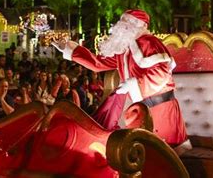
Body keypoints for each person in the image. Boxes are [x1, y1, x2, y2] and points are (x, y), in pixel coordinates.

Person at [53, 9, 188, 148]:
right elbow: (98, 63)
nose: (122, 26)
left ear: (141, 26)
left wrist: (133, 84)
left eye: (128, 22)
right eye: (122, 22)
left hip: (161, 109)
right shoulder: (124, 49)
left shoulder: (150, 42)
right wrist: (70, 50)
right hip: (139, 109)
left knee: (164, 154)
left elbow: (162, 75)